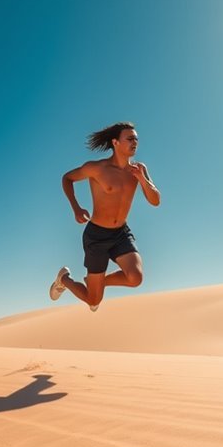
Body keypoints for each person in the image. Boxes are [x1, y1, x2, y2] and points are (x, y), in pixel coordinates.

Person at [49, 122, 160, 311]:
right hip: (97, 236)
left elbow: (155, 200)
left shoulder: (139, 169)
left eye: (137, 139)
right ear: (115, 142)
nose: (135, 142)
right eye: (130, 138)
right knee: (93, 300)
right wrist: (76, 208)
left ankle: (98, 282)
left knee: (135, 278)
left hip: (121, 234)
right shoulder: (97, 168)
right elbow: (67, 178)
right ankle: (64, 280)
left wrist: (142, 179)